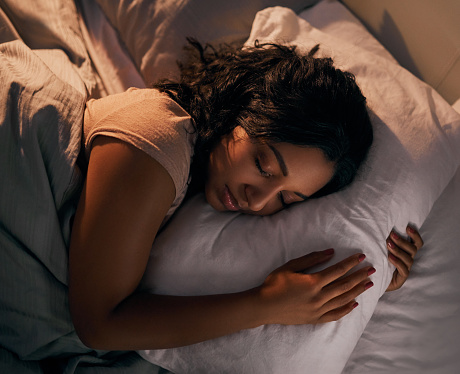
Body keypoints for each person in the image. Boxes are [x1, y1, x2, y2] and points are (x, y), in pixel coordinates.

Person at [69, 40, 423, 350]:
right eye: (264, 165)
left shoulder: (196, 167)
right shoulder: (158, 141)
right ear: (241, 106)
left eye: (287, 199)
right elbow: (99, 325)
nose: (257, 200)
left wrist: (374, 278)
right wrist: (266, 305)